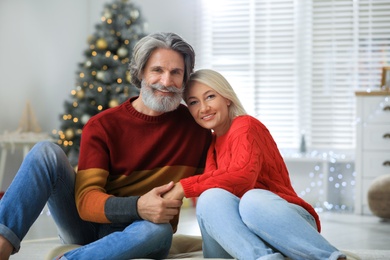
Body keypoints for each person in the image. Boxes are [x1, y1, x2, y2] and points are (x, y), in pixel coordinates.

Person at [0, 32, 211, 260]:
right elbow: (86, 201)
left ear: (184, 79)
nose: (167, 81)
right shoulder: (103, 125)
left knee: (159, 229)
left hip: (147, 232)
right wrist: (138, 206)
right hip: (88, 229)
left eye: (176, 72)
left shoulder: (196, 128)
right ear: (141, 72)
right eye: (157, 70)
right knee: (45, 153)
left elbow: (216, 182)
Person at [164, 69, 347, 260]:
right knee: (209, 198)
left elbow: (242, 176)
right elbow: (215, 203)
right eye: (194, 102)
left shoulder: (245, 125)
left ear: (227, 98)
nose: (203, 108)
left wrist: (183, 187)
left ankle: (327, 256)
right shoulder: (212, 145)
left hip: (282, 222)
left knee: (251, 199)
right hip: (244, 238)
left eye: (210, 97)